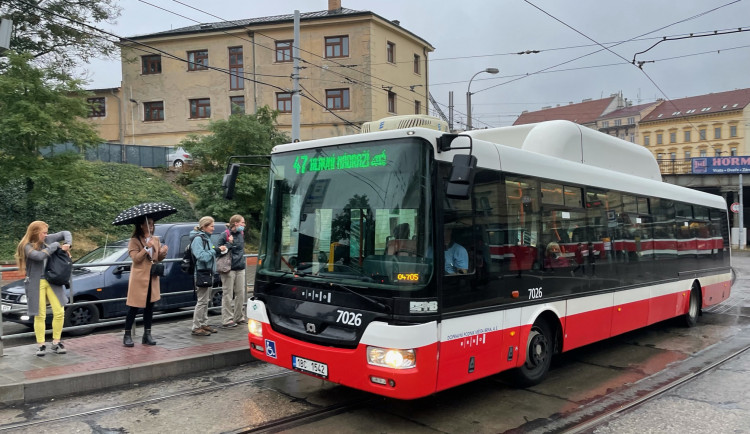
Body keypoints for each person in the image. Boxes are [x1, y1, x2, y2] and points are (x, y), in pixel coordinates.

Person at [15, 221, 72, 357]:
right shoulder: (26, 246)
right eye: (44, 233)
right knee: (39, 315)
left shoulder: (48, 239)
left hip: (52, 281)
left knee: (59, 311)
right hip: (35, 283)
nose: (46, 235)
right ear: (35, 233)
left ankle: (56, 342)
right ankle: (41, 345)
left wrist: (68, 243)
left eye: (47, 232)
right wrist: (55, 246)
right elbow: (39, 256)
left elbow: (65, 233)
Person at [123, 217, 167, 347]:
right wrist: (146, 248)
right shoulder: (134, 241)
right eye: (149, 224)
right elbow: (136, 259)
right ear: (141, 226)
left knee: (150, 307)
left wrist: (163, 253)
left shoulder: (156, 239)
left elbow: (157, 259)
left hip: (152, 277)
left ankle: (147, 334)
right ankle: (127, 335)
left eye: (153, 225)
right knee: (134, 307)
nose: (151, 227)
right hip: (139, 278)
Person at [190, 216, 227, 336]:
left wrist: (216, 249)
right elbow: (201, 256)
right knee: (201, 301)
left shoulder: (206, 238)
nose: (213, 228)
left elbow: (209, 252)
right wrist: (214, 251)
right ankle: (196, 327)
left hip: (208, 272)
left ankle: (203, 324)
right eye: (211, 226)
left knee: (206, 300)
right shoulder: (198, 239)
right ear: (204, 226)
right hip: (202, 273)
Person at [218, 215, 247, 328]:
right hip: (228, 268)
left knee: (240, 293)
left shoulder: (241, 234)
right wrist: (228, 244)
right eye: (242, 223)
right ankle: (227, 319)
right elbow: (217, 250)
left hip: (240, 267)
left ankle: (239, 316)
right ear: (235, 223)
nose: (244, 225)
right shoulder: (224, 235)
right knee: (228, 294)